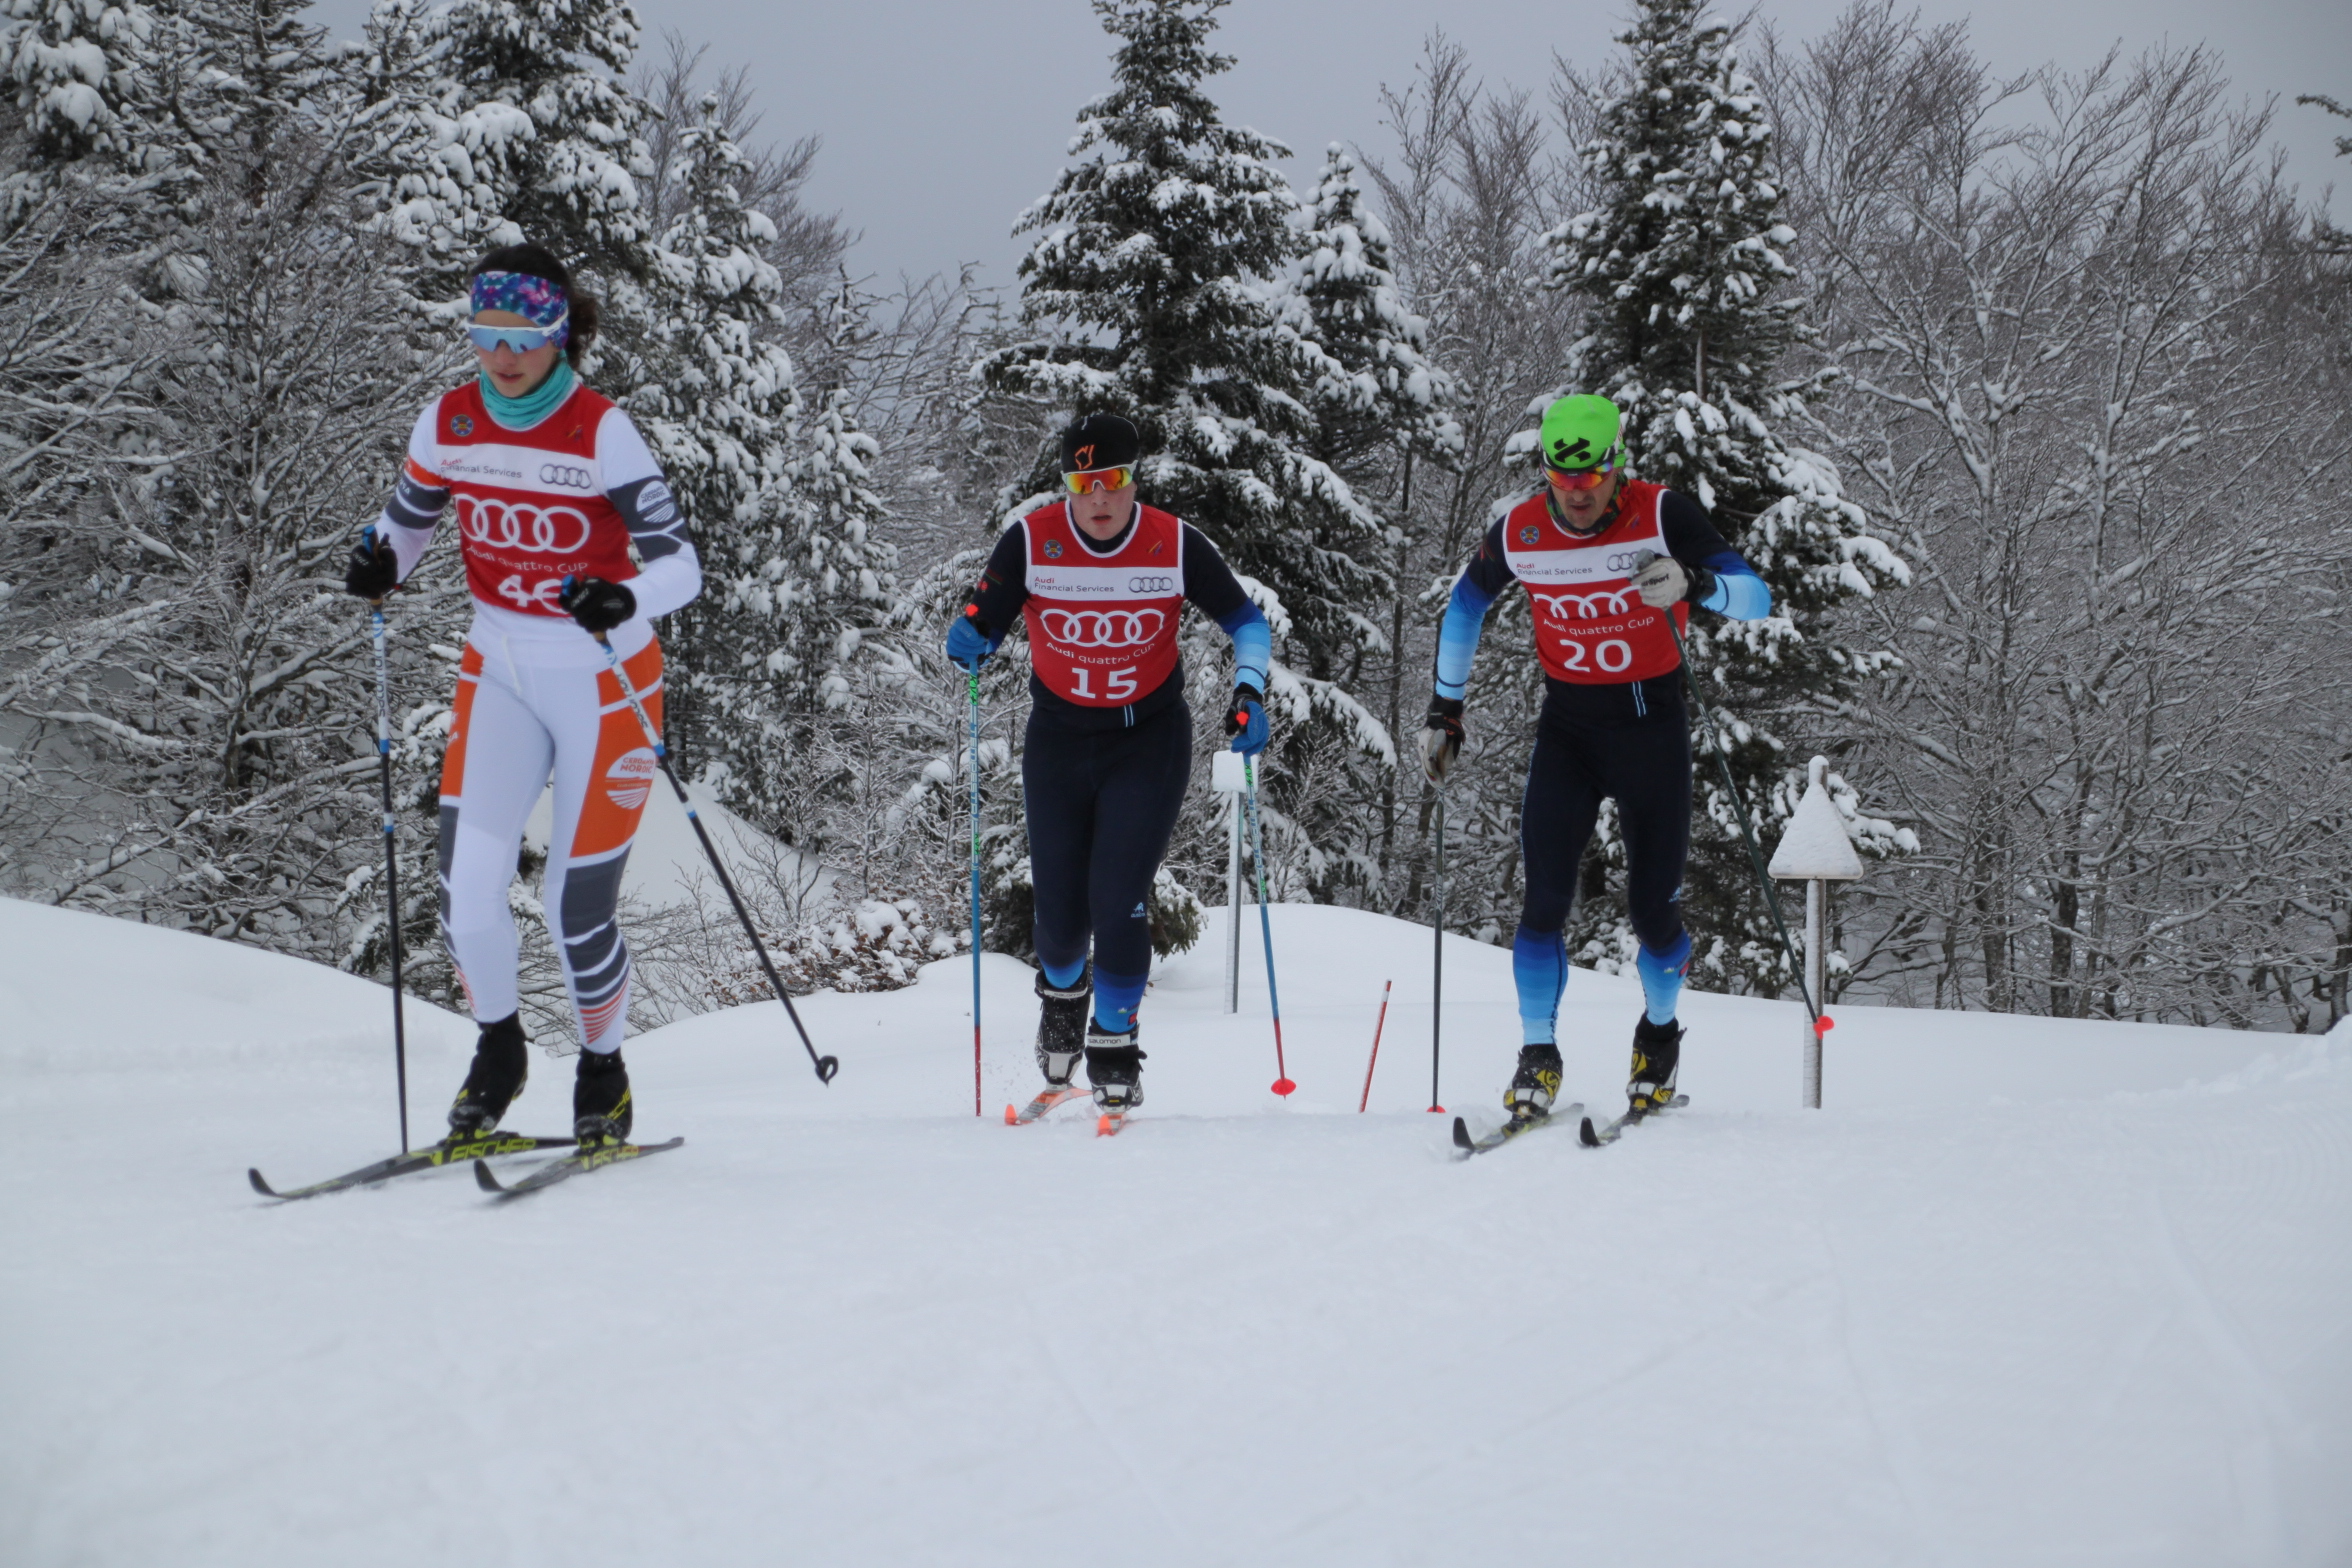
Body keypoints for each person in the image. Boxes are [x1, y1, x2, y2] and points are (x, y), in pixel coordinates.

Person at [343, 242, 701, 1146]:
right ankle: (499, 1052)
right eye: (486, 335)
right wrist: (382, 561)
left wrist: (626, 596)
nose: (503, 357)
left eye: (524, 336)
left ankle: (604, 1071)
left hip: (602, 679)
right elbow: (408, 523)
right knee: (465, 888)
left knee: (570, 909)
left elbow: (681, 566)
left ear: (559, 332)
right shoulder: (450, 421)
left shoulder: (599, 428)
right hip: (498, 668)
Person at [1420, 393, 1772, 1122]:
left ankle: (1659, 1035)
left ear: (1616, 464)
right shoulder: (1521, 529)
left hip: (1652, 728)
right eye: (1560, 475)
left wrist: (1697, 584)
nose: (1576, 491)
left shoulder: (1661, 513)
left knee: (1653, 913)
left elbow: (1757, 597)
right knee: (1543, 903)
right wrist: (1445, 710)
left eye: (1591, 475)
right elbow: (1465, 604)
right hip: (1569, 731)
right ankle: (1537, 1055)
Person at [948, 413, 1271, 1114]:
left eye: (1114, 481)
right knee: (1061, 919)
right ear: (1067, 483)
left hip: (1146, 740)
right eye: (1084, 483)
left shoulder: (1172, 542)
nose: (1100, 499)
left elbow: (1247, 622)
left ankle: (1116, 1038)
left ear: (1133, 479)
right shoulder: (1033, 541)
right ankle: (1062, 997)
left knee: (1117, 896)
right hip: (1059, 741)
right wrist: (970, 636)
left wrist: (1250, 690)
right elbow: (982, 619)